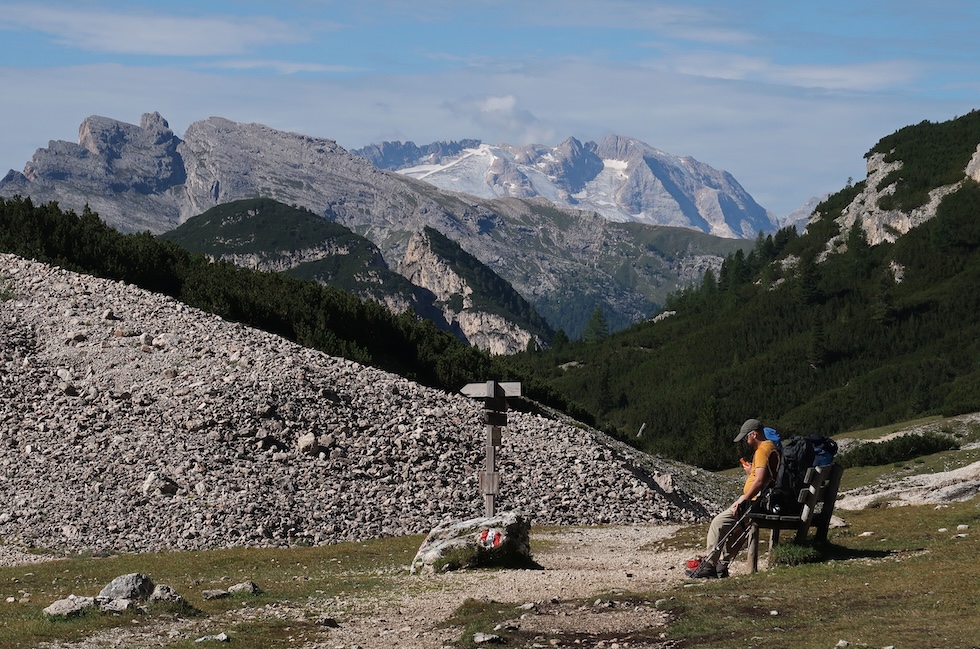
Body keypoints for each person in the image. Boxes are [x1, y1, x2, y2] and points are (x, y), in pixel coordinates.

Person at [686, 418, 780, 578]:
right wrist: (751, 471)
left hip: (755, 502)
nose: (745, 441)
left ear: (754, 434)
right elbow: (764, 477)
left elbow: (760, 481)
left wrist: (744, 499)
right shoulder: (771, 447)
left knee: (718, 523)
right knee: (739, 530)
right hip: (763, 500)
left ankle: (709, 565)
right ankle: (721, 566)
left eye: (746, 437)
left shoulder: (763, 450)